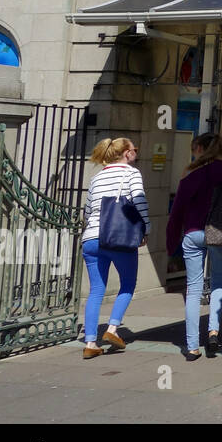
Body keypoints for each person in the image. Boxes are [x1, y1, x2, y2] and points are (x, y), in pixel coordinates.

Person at [166, 133, 222, 361]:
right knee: (217, 283)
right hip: (220, 233)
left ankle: (192, 346)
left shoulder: (191, 173)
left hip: (192, 234)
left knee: (193, 290)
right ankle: (213, 332)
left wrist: (171, 240)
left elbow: (177, 211)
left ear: (201, 149)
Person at [80, 137, 149, 359]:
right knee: (128, 284)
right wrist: (146, 227)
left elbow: (88, 210)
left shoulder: (96, 177)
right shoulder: (131, 173)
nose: (136, 153)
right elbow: (139, 201)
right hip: (118, 238)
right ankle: (111, 330)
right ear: (127, 154)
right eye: (134, 149)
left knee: (96, 291)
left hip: (91, 239)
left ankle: (90, 343)